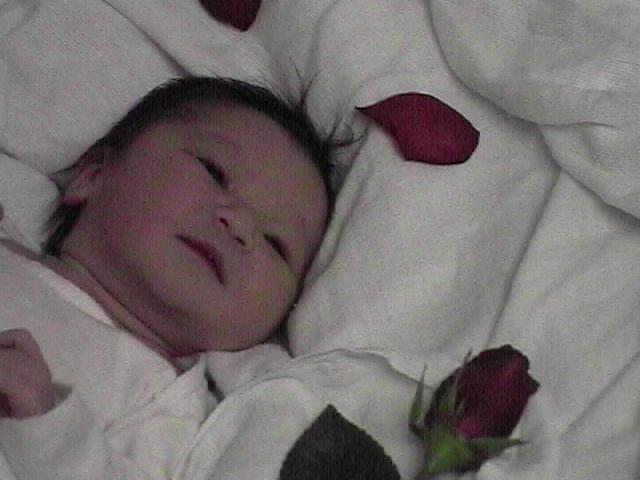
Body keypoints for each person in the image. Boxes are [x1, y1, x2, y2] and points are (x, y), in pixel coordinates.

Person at [0, 76, 339, 479]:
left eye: (276, 243)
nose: (240, 224)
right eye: (214, 172)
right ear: (92, 174)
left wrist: (49, 428)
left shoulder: (168, 410)